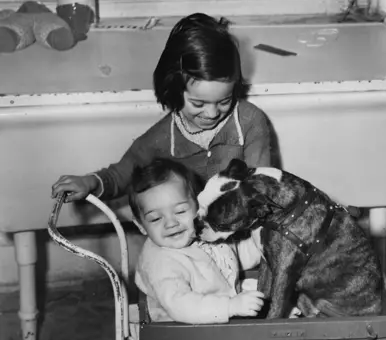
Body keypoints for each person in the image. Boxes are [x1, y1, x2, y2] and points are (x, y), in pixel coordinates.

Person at [51, 12, 274, 203]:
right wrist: (90, 182)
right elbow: (122, 174)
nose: (212, 113)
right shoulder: (161, 138)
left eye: (224, 101)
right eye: (198, 103)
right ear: (174, 89)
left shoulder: (250, 121)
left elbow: (260, 188)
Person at [129, 157, 264, 324]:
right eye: (155, 219)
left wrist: (261, 242)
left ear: (198, 206)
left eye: (180, 211)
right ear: (141, 225)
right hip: (185, 332)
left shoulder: (200, 234)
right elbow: (181, 305)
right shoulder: (160, 262)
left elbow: (233, 256)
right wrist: (230, 307)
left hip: (222, 308)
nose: (171, 223)